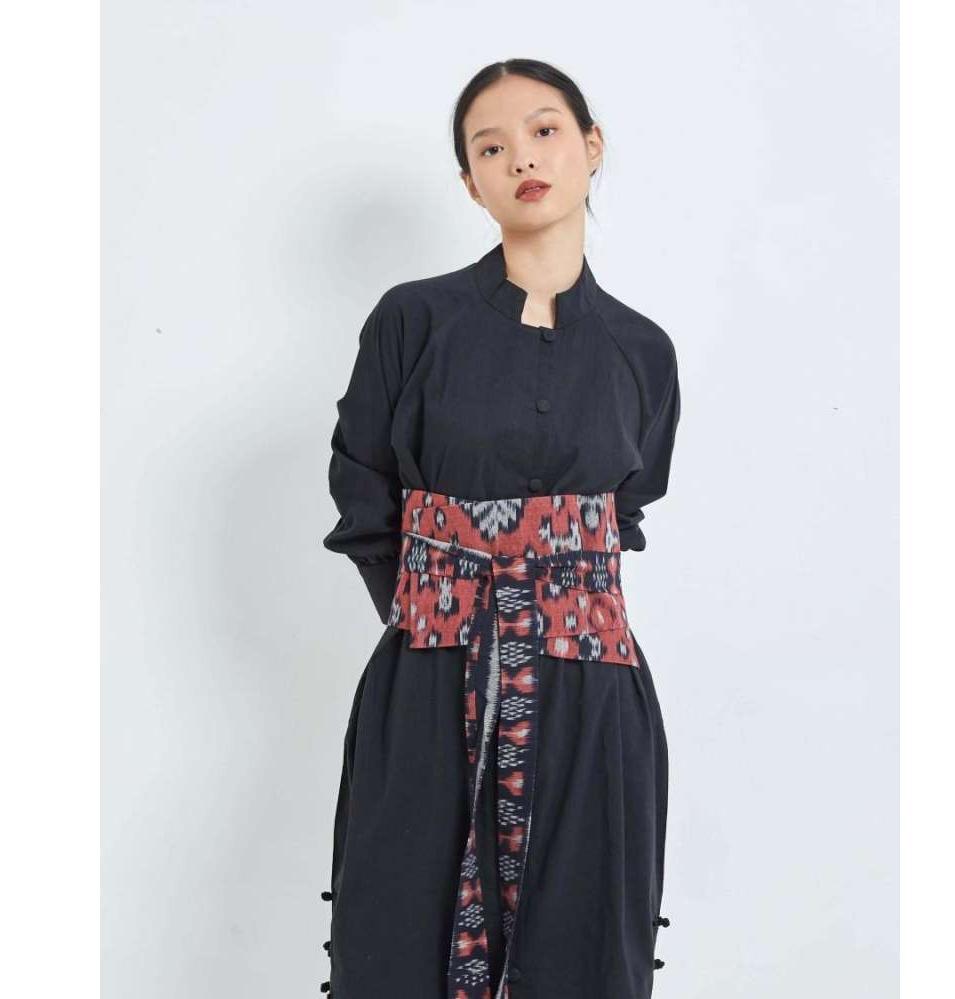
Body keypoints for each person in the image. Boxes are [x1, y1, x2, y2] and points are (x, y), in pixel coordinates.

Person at [318, 58, 681, 999]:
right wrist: (437, 617)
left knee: (581, 946)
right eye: (490, 147)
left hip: (591, 691)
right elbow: (365, 499)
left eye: (544, 130)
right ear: (469, 182)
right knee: (398, 936)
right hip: (429, 678)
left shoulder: (642, 350)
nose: (521, 157)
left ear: (591, 147)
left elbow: (625, 514)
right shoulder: (412, 320)